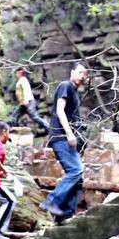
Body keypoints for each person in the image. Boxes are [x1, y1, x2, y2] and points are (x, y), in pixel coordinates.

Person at [43, 62, 89, 223]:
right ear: (72, 72)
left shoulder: (75, 93)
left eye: (85, 74)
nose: (82, 76)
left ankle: (65, 214)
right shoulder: (65, 86)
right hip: (61, 137)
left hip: (67, 139)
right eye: (80, 72)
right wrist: (69, 134)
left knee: (78, 176)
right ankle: (52, 201)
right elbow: (59, 110)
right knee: (76, 171)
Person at [9, 63, 48, 134]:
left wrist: (26, 100)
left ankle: (48, 127)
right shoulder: (20, 80)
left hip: (28, 102)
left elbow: (26, 90)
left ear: (20, 72)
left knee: (35, 117)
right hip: (23, 103)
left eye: (16, 73)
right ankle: (12, 130)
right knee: (14, 116)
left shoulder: (23, 79)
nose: (15, 74)